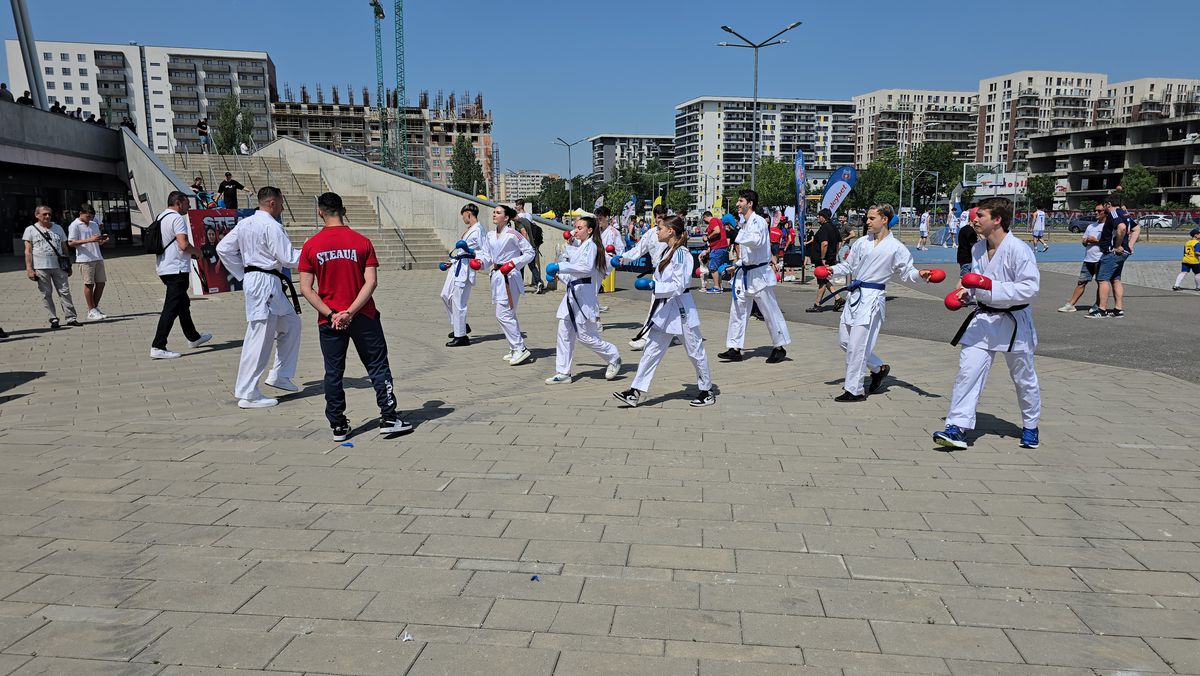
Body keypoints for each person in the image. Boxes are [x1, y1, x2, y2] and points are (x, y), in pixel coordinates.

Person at [299, 192, 410, 440]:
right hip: (363, 316)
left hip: (329, 320)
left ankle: (338, 425)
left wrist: (332, 315)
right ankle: (389, 418)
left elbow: (305, 288)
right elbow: (371, 283)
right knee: (378, 366)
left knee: (333, 372)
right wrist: (350, 311)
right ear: (344, 210)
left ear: (320, 212)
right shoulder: (362, 241)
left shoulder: (311, 245)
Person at [934, 197, 1041, 451]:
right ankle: (957, 427)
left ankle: (1030, 425)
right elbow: (977, 285)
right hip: (983, 320)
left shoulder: (1019, 249)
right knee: (967, 373)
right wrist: (966, 296)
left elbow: (1030, 288)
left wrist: (989, 286)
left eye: (980, 215)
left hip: (1014, 322)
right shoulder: (978, 249)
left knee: (1024, 378)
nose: (975, 219)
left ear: (997, 220)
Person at [820, 203, 937, 402]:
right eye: (867, 218)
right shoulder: (862, 242)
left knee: (858, 344)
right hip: (855, 296)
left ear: (885, 220)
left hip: (872, 298)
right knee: (845, 341)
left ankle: (854, 390)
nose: (867, 222)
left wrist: (920, 274)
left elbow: (907, 272)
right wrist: (833, 270)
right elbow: (849, 265)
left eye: (871, 218)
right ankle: (878, 368)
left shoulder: (896, 247)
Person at [613, 214, 715, 408]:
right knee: (651, 350)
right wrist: (624, 259)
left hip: (681, 308)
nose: (656, 231)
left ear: (671, 231)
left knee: (695, 351)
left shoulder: (681, 254)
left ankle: (707, 390)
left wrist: (654, 285)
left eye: (660, 228)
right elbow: (641, 252)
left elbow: (679, 285)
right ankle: (635, 391)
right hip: (665, 308)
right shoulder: (666, 251)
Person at [215, 186, 302, 409]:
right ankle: (248, 392)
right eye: (281, 202)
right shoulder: (272, 226)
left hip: (261, 281)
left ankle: (280, 374)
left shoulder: (245, 223)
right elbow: (290, 258)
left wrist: (243, 273)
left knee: (291, 322)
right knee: (259, 336)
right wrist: (314, 250)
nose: (283, 206)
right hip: (265, 283)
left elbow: (223, 248)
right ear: (272, 203)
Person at [545, 216, 622, 384]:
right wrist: (559, 275)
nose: (576, 230)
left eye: (580, 227)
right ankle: (563, 372)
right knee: (564, 332)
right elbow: (573, 275)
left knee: (585, 336)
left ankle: (613, 354)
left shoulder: (592, 246)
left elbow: (585, 269)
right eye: (575, 227)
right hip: (572, 294)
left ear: (589, 230)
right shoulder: (579, 247)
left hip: (584, 297)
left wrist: (560, 267)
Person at [718, 189, 791, 364]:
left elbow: (757, 242)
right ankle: (734, 348)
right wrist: (735, 266)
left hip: (760, 274)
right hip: (745, 273)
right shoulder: (745, 223)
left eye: (740, 201)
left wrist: (737, 234)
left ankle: (779, 347)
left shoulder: (757, 221)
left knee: (769, 311)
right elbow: (747, 254)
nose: (737, 204)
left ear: (750, 203)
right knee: (738, 311)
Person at [150, 191, 211, 358]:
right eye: (187, 203)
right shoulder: (177, 218)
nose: (189, 206)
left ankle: (193, 337)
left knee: (182, 305)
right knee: (171, 308)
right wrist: (197, 252)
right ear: (178, 203)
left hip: (164, 267)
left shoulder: (161, 216)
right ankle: (158, 346)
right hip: (177, 269)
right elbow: (183, 245)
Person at [480, 205, 535, 365]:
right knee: (508, 314)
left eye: (498, 213)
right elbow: (487, 256)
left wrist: (513, 263)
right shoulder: (490, 235)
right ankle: (514, 347)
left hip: (509, 277)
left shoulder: (513, 234)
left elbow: (530, 252)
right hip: (497, 275)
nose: (494, 215)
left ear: (506, 218)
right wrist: (480, 262)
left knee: (503, 314)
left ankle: (520, 348)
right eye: (494, 212)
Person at [617, 204, 670, 351]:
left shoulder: (674, 232)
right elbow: (638, 250)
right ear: (654, 218)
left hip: (672, 274)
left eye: (663, 217)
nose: (661, 220)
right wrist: (624, 258)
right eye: (659, 218)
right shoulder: (651, 233)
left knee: (674, 308)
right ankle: (646, 337)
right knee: (657, 306)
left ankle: (648, 337)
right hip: (658, 273)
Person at [23, 205, 79, 330]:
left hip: (59, 266)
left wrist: (69, 264)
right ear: (37, 215)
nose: (47, 216)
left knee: (65, 292)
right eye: (44, 214)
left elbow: (64, 247)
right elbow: (28, 251)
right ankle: (53, 318)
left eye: (49, 214)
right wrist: (29, 269)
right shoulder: (30, 230)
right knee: (46, 294)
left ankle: (71, 318)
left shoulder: (58, 228)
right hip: (41, 267)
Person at [441, 203, 486, 346]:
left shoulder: (479, 230)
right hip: (457, 266)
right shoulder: (469, 230)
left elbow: (485, 252)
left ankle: (461, 336)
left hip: (466, 269)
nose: (462, 218)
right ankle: (460, 325)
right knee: (445, 296)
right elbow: (461, 252)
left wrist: (471, 252)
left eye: (463, 215)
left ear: (468, 213)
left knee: (459, 302)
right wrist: (451, 262)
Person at [1091, 194, 1132, 319]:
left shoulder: (1114, 214)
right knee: (1116, 279)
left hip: (1112, 252)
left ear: (1108, 204)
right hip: (1122, 252)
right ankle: (1118, 309)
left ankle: (1102, 309)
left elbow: (1122, 228)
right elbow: (1137, 228)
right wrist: (1130, 245)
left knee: (1102, 279)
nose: (1103, 209)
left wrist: (1117, 245)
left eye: (1104, 206)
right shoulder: (1125, 214)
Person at [1057, 207, 1105, 312]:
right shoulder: (1091, 226)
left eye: (1099, 211)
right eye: (1095, 210)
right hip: (1088, 259)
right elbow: (1084, 241)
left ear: (1105, 212)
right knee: (1081, 282)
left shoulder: (1108, 227)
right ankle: (1070, 305)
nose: (1096, 212)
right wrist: (1085, 241)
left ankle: (1098, 305)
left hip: (1101, 259)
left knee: (1101, 283)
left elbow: (1109, 244)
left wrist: (1096, 240)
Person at [67, 204, 109, 320]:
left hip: (97, 257)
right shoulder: (74, 225)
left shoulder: (94, 224)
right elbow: (71, 243)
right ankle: (91, 309)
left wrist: (102, 240)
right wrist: (89, 240)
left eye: (91, 216)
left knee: (101, 283)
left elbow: (96, 240)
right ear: (81, 213)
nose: (89, 218)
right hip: (85, 259)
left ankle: (94, 308)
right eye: (87, 216)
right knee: (89, 284)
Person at [806, 208, 843, 312]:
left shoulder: (824, 228)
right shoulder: (833, 227)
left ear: (824, 217)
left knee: (822, 281)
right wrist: (834, 254)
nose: (817, 217)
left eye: (819, 215)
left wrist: (823, 258)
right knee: (823, 280)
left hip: (823, 260)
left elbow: (824, 243)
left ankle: (818, 305)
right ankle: (838, 298)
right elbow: (839, 243)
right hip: (830, 258)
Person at [597, 206, 623, 302]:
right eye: (597, 219)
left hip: (606, 265)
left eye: (600, 219)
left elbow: (620, 250)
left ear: (607, 218)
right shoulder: (595, 232)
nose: (598, 221)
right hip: (595, 263)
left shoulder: (614, 232)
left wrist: (614, 256)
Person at [704, 210, 729, 293]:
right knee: (719, 267)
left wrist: (707, 237)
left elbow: (717, 231)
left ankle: (716, 287)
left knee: (713, 267)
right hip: (722, 247)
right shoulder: (719, 220)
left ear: (705, 217)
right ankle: (720, 286)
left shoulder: (713, 221)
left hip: (717, 247)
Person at [1172, 227, 1200, 292]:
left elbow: (1184, 252)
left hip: (1185, 260)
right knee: (1198, 273)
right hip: (1194, 261)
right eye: (1199, 234)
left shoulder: (1187, 242)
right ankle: (1198, 287)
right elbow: (1196, 253)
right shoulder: (1197, 243)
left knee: (1183, 272)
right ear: (1195, 235)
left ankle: (1176, 285)